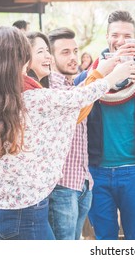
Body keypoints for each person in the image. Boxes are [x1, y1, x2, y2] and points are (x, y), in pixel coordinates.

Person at [0, 25, 132, 240]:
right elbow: (78, 99)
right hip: (25, 213)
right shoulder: (32, 100)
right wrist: (113, 77)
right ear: (22, 58)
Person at [74, 10, 135, 240]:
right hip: (97, 172)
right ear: (107, 37)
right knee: (105, 239)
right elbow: (76, 104)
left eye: (127, 36)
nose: (120, 41)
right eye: (115, 35)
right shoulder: (90, 76)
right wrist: (104, 75)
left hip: (133, 172)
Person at [45, 27, 94, 240]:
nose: (73, 57)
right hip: (62, 186)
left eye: (75, 51)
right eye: (65, 52)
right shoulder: (51, 89)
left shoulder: (72, 85)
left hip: (82, 181)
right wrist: (103, 74)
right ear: (50, 57)